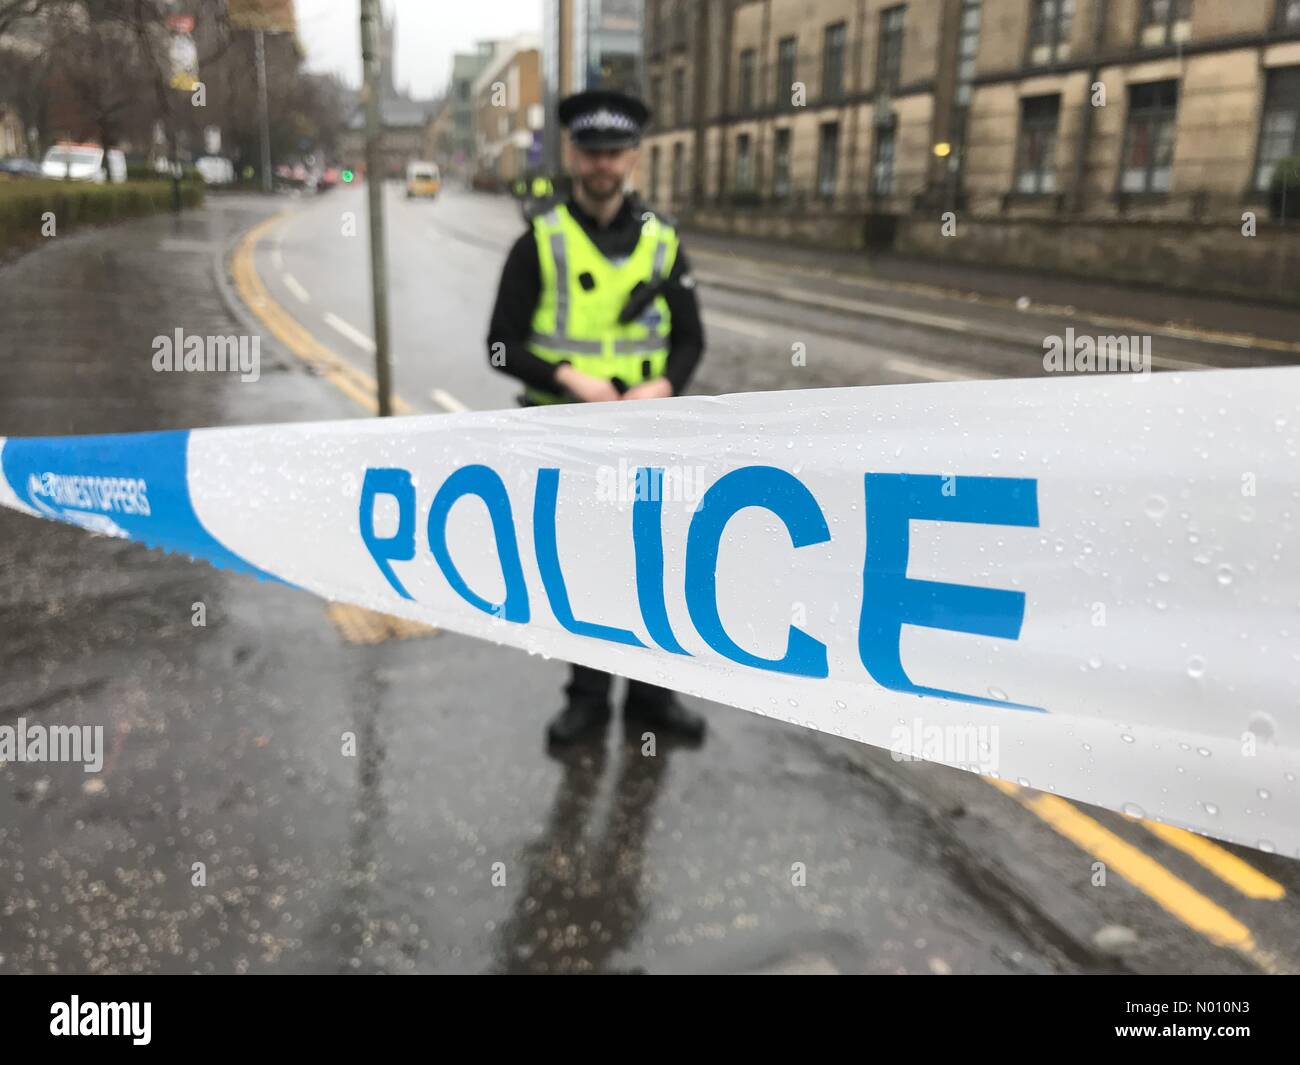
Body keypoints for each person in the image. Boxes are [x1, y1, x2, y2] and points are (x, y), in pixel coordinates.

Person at [486, 87, 707, 749]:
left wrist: (664, 384)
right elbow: (499, 343)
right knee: (583, 574)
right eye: (591, 150)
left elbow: (692, 338)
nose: (604, 164)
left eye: (615, 151)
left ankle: (650, 699)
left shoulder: (663, 242)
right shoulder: (541, 242)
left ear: (633, 157)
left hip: (646, 435)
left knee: (652, 570)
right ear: (573, 154)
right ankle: (586, 702)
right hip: (571, 439)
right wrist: (568, 378)